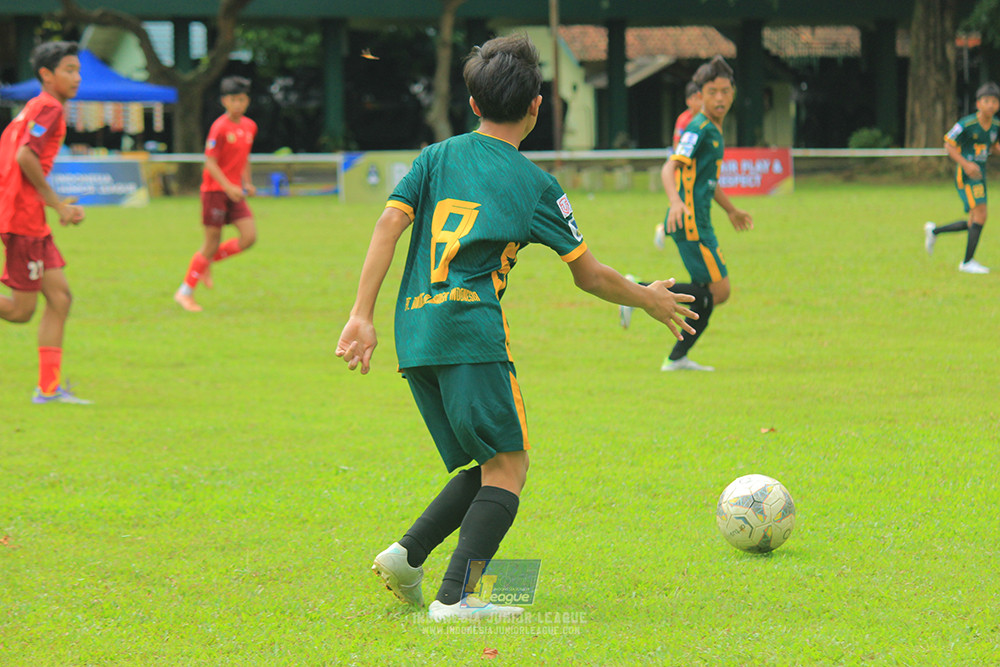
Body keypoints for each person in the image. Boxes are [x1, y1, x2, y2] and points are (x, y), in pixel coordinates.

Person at [336, 34, 696, 621]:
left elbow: (386, 227)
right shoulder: (536, 186)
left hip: (416, 332)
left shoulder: (434, 157)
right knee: (511, 466)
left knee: (487, 463)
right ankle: (457, 598)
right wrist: (647, 299)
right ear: (536, 106)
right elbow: (590, 275)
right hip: (472, 332)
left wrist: (361, 315)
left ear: (474, 105)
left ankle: (407, 556)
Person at [626, 55, 753, 372]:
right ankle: (636, 290)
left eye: (725, 91)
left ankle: (676, 358)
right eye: (712, 92)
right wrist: (675, 202)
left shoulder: (714, 129)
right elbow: (669, 168)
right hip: (692, 222)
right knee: (718, 292)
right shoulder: (698, 128)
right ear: (701, 94)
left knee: (708, 295)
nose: (720, 98)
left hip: (701, 219)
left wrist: (732, 210)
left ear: (733, 92)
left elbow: (708, 182)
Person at [0, 41, 90, 404]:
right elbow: (24, 157)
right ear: (46, 75)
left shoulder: (34, 108)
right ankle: (48, 389)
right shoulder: (49, 108)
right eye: (69, 70)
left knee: (60, 297)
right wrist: (57, 205)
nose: (77, 78)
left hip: (27, 215)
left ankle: (49, 389)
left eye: (78, 70)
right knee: (21, 312)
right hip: (23, 217)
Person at [174, 76, 258, 311]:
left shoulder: (249, 126)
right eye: (233, 100)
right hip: (215, 191)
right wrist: (228, 186)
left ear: (247, 101)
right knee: (211, 242)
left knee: (249, 237)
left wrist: (247, 183)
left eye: (241, 100)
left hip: (235, 192)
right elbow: (210, 163)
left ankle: (205, 263)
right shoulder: (219, 127)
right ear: (224, 101)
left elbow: (244, 158)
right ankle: (185, 292)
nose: (238, 104)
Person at [924, 81, 1000, 274]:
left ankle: (934, 231)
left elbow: (994, 146)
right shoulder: (966, 124)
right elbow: (948, 143)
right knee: (981, 215)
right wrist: (965, 164)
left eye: (995, 101)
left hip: (980, 174)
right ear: (978, 103)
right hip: (967, 175)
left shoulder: (996, 126)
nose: (991, 104)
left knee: (973, 221)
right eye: (987, 101)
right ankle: (967, 262)